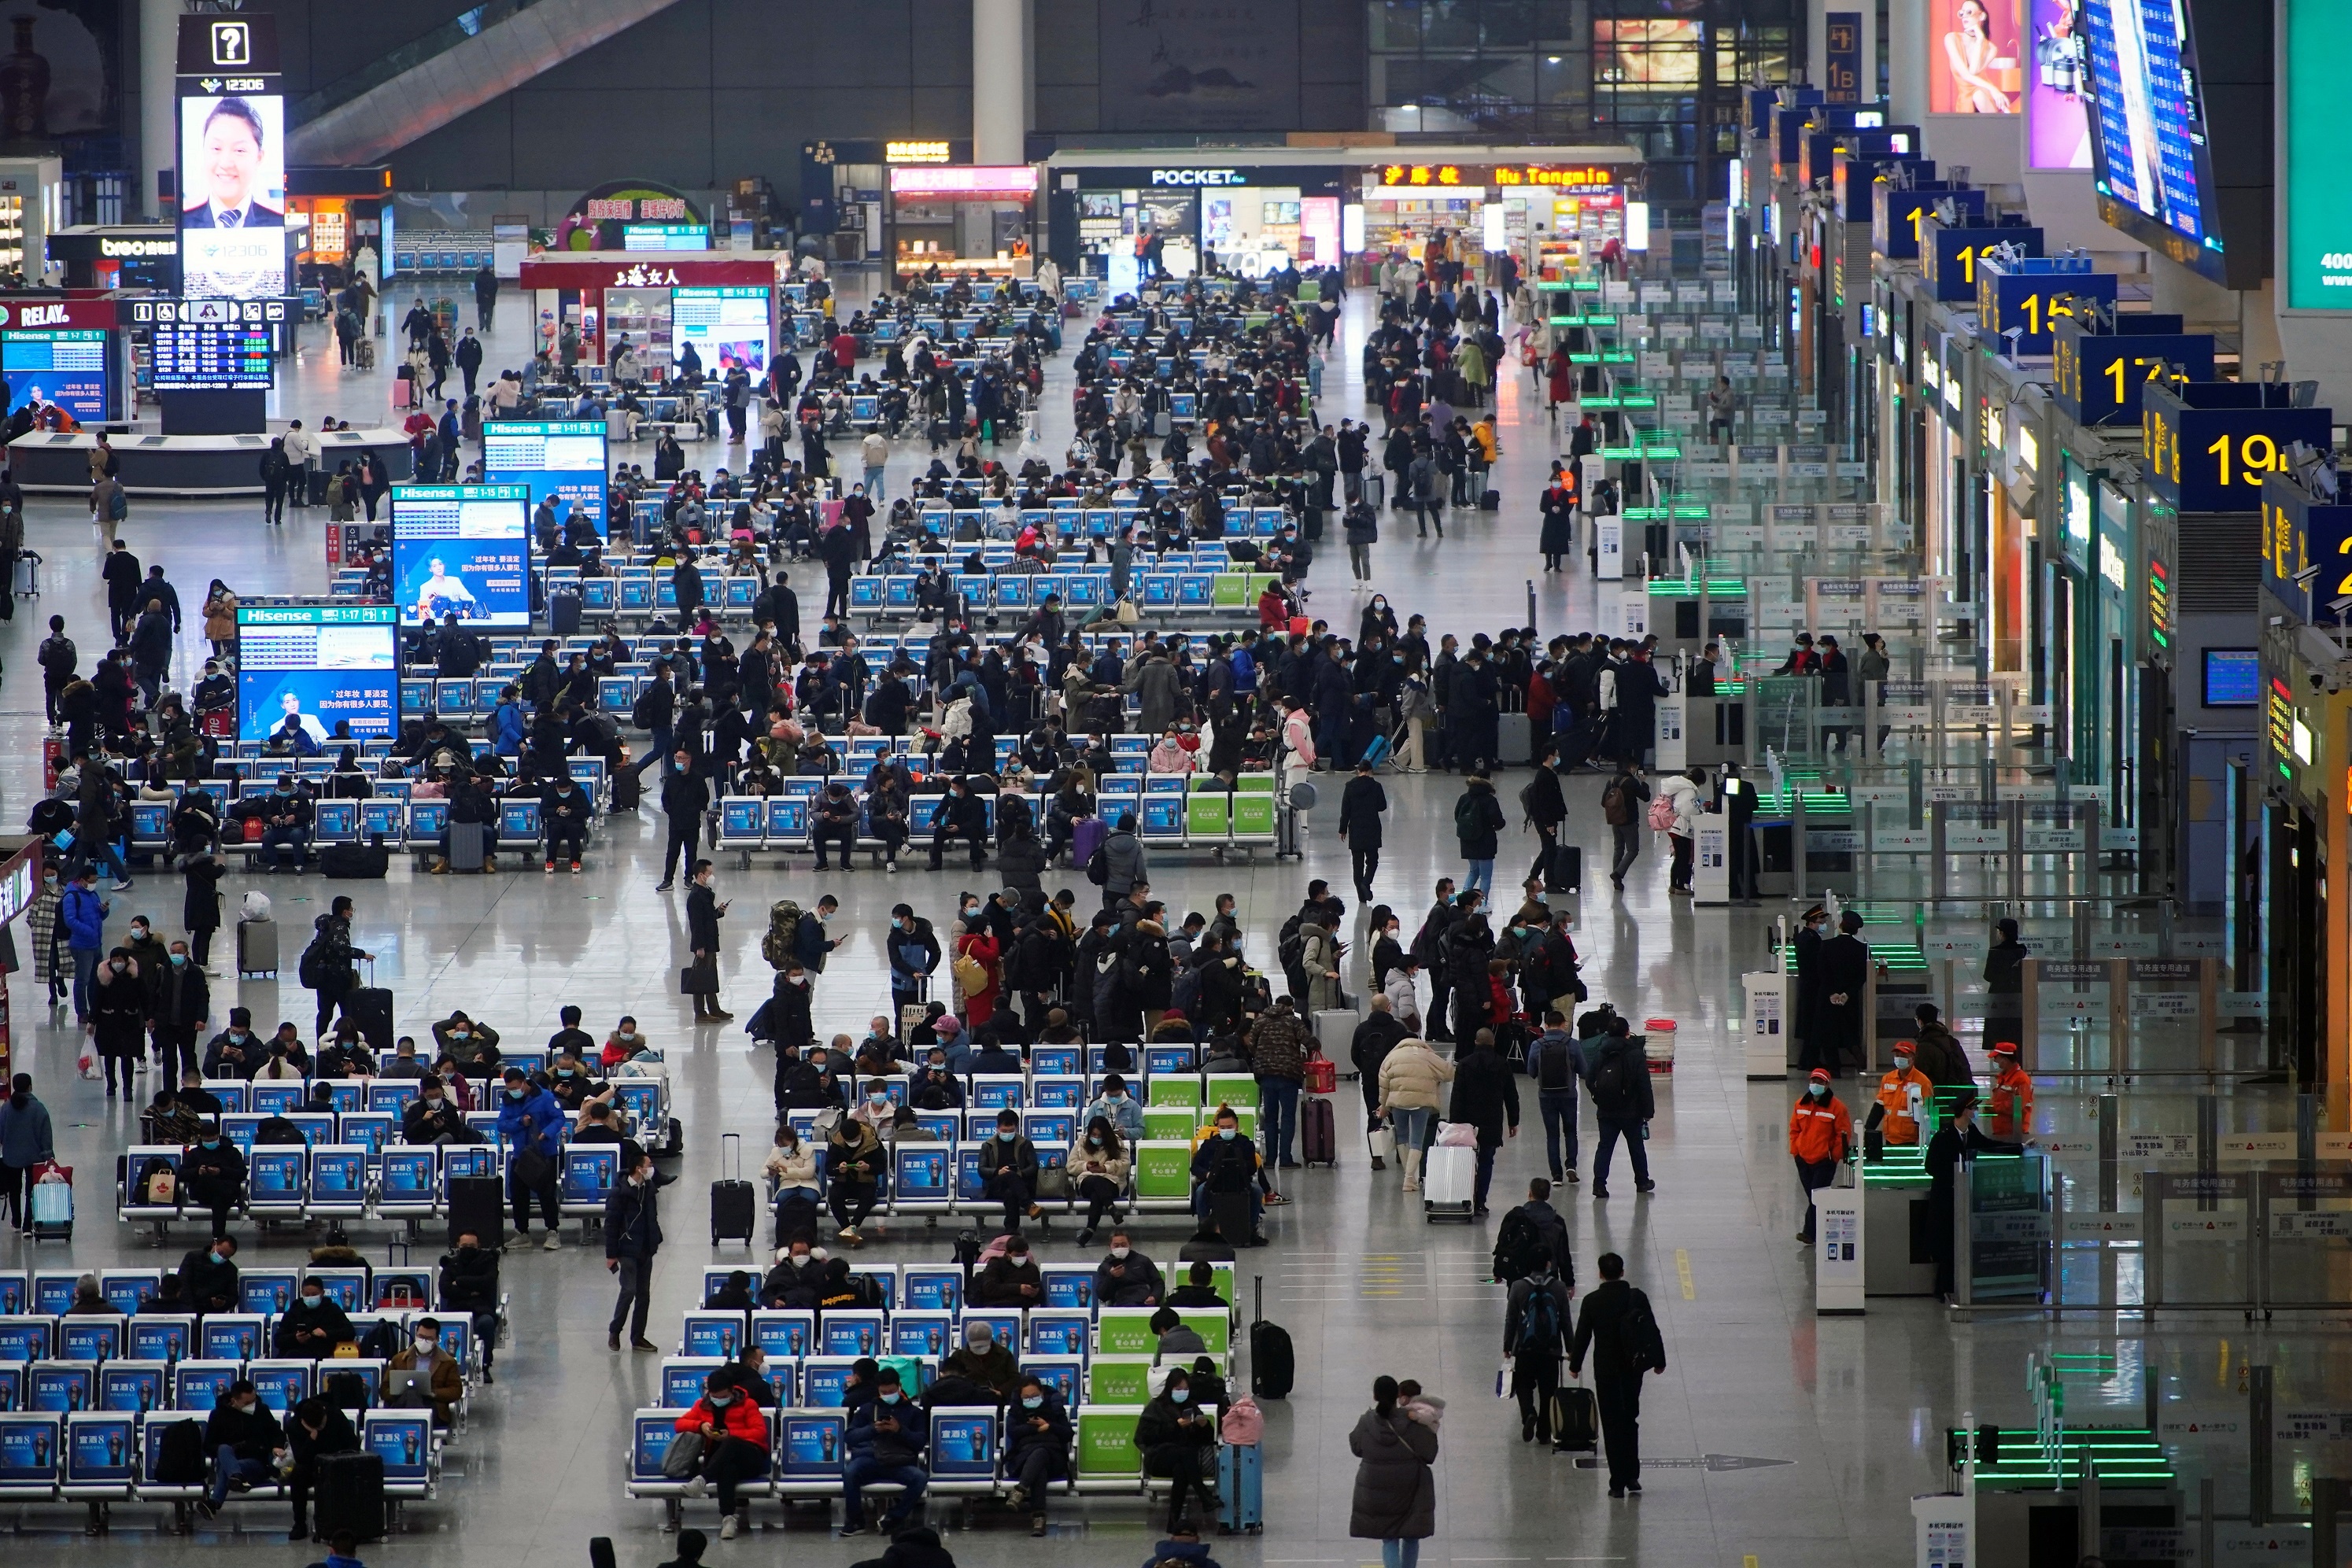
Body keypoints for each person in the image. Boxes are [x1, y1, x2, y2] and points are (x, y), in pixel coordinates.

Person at [1569, 1252, 1667, 1498]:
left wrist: (1575, 1365)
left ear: (1600, 1274)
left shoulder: (1592, 1301)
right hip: (1633, 1367)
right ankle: (1633, 1476)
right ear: (1622, 1272)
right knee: (1629, 1419)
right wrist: (1659, 1361)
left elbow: (1583, 1336)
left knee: (1612, 1424)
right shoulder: (1637, 1297)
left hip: (1606, 1370)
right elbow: (1651, 1329)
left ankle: (1617, 1483)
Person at [1350, 1374, 1439, 1568]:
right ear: (1397, 1396)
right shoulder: (1413, 1421)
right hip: (1411, 1487)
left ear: (1375, 1396)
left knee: (1389, 1537)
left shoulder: (1366, 1422)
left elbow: (1357, 1448)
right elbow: (1429, 1454)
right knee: (1411, 1536)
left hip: (1377, 1488)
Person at [674, 1370, 770, 1540]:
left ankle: (702, 1479)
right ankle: (728, 1518)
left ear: (732, 1390)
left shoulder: (748, 1405)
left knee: (731, 1443)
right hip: (719, 1462)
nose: (719, 1400)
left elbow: (760, 1433)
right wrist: (701, 1426)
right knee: (727, 1469)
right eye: (715, 1397)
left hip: (750, 1457)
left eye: (723, 1396)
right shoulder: (702, 1405)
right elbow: (679, 1424)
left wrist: (731, 1434)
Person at [1503, 1232, 1575, 1447]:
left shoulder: (1518, 1286)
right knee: (1548, 1391)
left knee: (1524, 1384)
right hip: (1551, 1349)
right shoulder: (1559, 1287)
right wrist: (1571, 1348)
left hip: (1525, 1347)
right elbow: (1565, 1321)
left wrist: (1507, 1346)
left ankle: (1528, 1413)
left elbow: (1511, 1319)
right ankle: (1544, 1432)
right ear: (1548, 1264)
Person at [840, 1364, 928, 1537]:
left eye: (892, 1391)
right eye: (884, 1392)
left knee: (919, 1478)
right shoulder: (867, 1409)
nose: (888, 1395)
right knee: (850, 1473)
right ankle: (855, 1521)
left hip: (899, 1461)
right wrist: (873, 1429)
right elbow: (850, 1437)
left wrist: (900, 1430)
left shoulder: (914, 1413)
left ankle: (893, 1518)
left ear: (899, 1387)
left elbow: (919, 1442)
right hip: (870, 1459)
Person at [1446, 1027, 1520, 1216]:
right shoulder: (1502, 1064)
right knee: (1487, 1160)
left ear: (1476, 1042)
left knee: (1466, 1160)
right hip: (1492, 1120)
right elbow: (1511, 1095)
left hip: (1467, 1121)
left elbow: (1457, 1096)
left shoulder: (1464, 1064)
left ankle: (1465, 1198)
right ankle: (1481, 1201)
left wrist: (1454, 1122)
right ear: (1493, 1043)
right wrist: (1513, 1121)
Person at [1136, 1367, 1218, 1533]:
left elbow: (1206, 1439)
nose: (1182, 1392)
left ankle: (1173, 1522)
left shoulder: (1191, 1406)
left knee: (1181, 1469)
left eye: (1185, 1389)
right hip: (1158, 1458)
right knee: (1185, 1454)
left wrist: (1204, 1426)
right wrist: (1175, 1426)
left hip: (1183, 1461)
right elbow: (1146, 1437)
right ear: (1170, 1388)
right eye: (1178, 1389)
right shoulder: (1156, 1407)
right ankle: (1203, 1495)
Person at [604, 1147, 668, 1350]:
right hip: (627, 1248)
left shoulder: (648, 1190)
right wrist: (611, 1255)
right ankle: (615, 1331)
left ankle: (638, 1336)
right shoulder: (619, 1194)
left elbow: (652, 1217)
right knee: (628, 1290)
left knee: (644, 1294)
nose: (652, 1168)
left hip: (645, 1248)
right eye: (649, 1165)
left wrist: (655, 1240)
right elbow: (611, 1225)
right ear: (639, 1169)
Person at [1583, 1017, 1655, 1198]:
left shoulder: (1601, 1052)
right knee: (1636, 1147)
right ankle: (1642, 1182)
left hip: (1606, 1110)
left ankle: (1599, 1184)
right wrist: (1648, 1111)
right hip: (1631, 1111)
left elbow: (1589, 1079)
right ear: (1627, 1033)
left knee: (1605, 1147)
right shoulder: (1635, 1054)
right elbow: (1644, 1085)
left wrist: (1599, 1097)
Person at [197, 1379, 286, 1519]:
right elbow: (208, 1446)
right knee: (224, 1449)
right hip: (229, 1460)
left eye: (254, 1400)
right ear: (234, 1400)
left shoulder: (261, 1411)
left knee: (227, 1467)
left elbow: (277, 1434)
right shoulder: (219, 1415)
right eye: (247, 1403)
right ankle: (237, 1478)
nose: (252, 1405)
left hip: (256, 1464)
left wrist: (276, 1446)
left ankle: (216, 1500)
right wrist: (230, 1451)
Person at [497, 1066, 565, 1248]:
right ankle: (522, 1233)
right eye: (509, 1089)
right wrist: (520, 1122)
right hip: (521, 1154)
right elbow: (501, 1125)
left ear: (524, 1083)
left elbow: (559, 1118)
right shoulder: (508, 1100)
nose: (512, 1092)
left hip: (545, 1153)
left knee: (547, 1194)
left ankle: (552, 1232)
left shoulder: (545, 1097)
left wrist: (547, 1132)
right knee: (518, 1195)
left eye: (514, 1088)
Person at [1375, 1034, 1453, 1192]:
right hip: (1422, 1101)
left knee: (1402, 1137)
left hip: (1398, 1101)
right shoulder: (1428, 1055)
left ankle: (1409, 1177)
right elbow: (1449, 1073)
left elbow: (1383, 1082)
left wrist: (1383, 1105)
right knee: (1417, 1141)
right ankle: (1409, 1179)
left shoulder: (1392, 1056)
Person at [1789, 1068, 1852, 1246]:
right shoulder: (1800, 1104)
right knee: (1813, 1197)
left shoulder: (1838, 1108)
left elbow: (1843, 1134)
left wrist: (1833, 1157)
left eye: (1820, 1082)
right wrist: (1796, 1151)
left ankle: (1809, 1233)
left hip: (1824, 1162)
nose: (1815, 1085)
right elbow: (1794, 1129)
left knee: (1817, 1196)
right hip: (1803, 1160)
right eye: (1813, 1081)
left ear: (1827, 1085)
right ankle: (1819, 1230)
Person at [1924, 1091, 1977, 1301]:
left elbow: (1989, 1144)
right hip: (1945, 1198)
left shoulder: (1971, 1132)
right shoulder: (1943, 1136)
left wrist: (2020, 1148)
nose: (1976, 1111)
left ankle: (1953, 1287)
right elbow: (1930, 1167)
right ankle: (1943, 1289)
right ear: (1964, 1111)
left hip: (1962, 1197)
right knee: (1946, 1244)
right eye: (1973, 1108)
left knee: (1958, 1242)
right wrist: (1953, 1176)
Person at [1004, 1372, 1072, 1536]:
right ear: (1020, 1397)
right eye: (1026, 1397)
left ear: (1042, 1392)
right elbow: (1012, 1432)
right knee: (1040, 1466)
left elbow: (1068, 1433)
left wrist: (1049, 1426)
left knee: (1041, 1453)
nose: (1031, 1399)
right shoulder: (1016, 1411)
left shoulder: (1055, 1407)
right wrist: (1035, 1428)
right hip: (1023, 1458)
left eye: (1034, 1396)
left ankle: (1020, 1489)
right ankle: (1038, 1519)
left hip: (1054, 1457)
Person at [284, 1397, 360, 1542]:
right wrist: (312, 1438)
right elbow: (301, 1458)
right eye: (318, 1427)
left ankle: (339, 1523)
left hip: (337, 1462)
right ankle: (299, 1524)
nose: (322, 1428)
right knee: (298, 1474)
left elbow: (353, 1444)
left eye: (323, 1424)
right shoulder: (293, 1426)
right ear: (304, 1422)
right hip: (311, 1465)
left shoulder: (335, 1414)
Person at [1523, 1012, 1584, 1184]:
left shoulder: (1537, 1045)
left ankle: (1556, 1175)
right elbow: (1583, 1069)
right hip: (1569, 1095)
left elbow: (1531, 1072)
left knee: (1552, 1135)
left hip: (1546, 1096)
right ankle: (1571, 1166)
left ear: (1546, 1025)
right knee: (1570, 1132)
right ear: (1564, 1024)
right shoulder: (1572, 1044)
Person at [1813, 910, 1873, 1078]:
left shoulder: (1826, 945)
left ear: (1840, 926)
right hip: (1849, 999)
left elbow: (1822, 972)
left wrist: (1832, 993)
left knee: (1828, 1032)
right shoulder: (1862, 949)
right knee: (1848, 1030)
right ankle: (1857, 1054)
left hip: (1828, 997)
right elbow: (1863, 975)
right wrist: (1847, 994)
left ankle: (1834, 1068)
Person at [438, 1230, 502, 1382]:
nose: (468, 1249)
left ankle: (484, 1366)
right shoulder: (451, 1264)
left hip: (481, 1310)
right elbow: (445, 1289)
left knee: (486, 1323)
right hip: (456, 1311)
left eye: (472, 1246)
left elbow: (488, 1282)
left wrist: (460, 1282)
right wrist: (471, 1292)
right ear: (458, 1246)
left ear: (478, 1246)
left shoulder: (488, 1262)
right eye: (464, 1246)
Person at [1493, 1175, 1575, 1286]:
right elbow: (1563, 1255)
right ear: (1547, 1196)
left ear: (1529, 1193)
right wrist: (1569, 1282)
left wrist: (1498, 1271)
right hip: (1549, 1277)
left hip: (1518, 1275)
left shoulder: (1515, 1217)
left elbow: (1503, 1244)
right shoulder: (1557, 1222)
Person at [382, 1315, 463, 1428]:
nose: (424, 1341)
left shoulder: (447, 1362)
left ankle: (412, 1426)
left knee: (413, 1394)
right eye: (421, 1337)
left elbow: (456, 1391)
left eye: (429, 1339)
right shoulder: (399, 1359)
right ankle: (417, 1426)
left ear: (436, 1340)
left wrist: (432, 1393)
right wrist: (399, 1392)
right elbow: (384, 1390)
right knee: (411, 1394)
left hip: (432, 1406)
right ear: (416, 1335)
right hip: (402, 1403)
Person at [0, 1074, 54, 1232]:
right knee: (32, 1190)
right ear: (30, 1087)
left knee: (14, 1189)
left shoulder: (6, 1108)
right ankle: (27, 1226)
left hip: (11, 1158)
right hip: (34, 1158)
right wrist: (48, 1156)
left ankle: (16, 1221)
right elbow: (45, 1134)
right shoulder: (39, 1108)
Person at [684, 859, 733, 1023]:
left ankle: (714, 1009)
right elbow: (696, 924)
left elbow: (708, 917)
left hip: (711, 942)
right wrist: (699, 946)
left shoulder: (705, 893)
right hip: (704, 944)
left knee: (710, 976)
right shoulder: (696, 897)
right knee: (700, 977)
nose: (712, 876)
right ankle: (700, 1013)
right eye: (709, 873)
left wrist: (719, 911)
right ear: (701, 875)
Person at [1870, 1039, 1933, 1153]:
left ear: (1912, 1058)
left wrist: (1924, 1140)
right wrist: (1869, 1129)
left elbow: (1927, 1113)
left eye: (1903, 1055)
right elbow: (1879, 1106)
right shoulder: (1888, 1079)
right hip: (1889, 1138)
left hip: (1912, 1141)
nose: (1899, 1058)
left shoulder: (1923, 1082)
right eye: (1897, 1055)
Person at [1451, 774, 1506, 901]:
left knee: (1473, 871)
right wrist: (1498, 826)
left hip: (1467, 841)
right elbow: (1497, 820)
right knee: (1485, 876)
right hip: (1485, 842)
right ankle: (1482, 903)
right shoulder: (1490, 800)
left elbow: (1457, 816)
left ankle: (1465, 899)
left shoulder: (1464, 798)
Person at [183, 1134, 249, 1239]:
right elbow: (181, 1174)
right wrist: (197, 1171)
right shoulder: (194, 1153)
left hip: (222, 1195)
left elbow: (242, 1173)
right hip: (205, 1192)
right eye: (206, 1140)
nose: (209, 1143)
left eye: (212, 1140)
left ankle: (217, 1237)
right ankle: (218, 1237)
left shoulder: (232, 1152)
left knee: (219, 1198)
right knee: (208, 1181)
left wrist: (221, 1171)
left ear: (217, 1137)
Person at [273, 1275, 354, 1358]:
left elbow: (349, 1332)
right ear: (302, 1293)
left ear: (322, 1293)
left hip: (322, 1355)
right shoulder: (294, 1311)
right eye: (307, 1295)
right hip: (294, 1355)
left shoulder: (332, 1310)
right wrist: (295, 1338)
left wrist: (326, 1334)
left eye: (314, 1294)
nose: (310, 1297)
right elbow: (278, 1340)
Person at [1984, 917, 2028, 1061]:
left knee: (1999, 1031)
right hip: (2016, 995)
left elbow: (1988, 976)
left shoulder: (1995, 951)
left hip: (1998, 995)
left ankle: (2002, 1058)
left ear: (2002, 933)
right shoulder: (2021, 950)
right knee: (2014, 1031)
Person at [940, 1319, 1021, 1397]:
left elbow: (1015, 1378)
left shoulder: (1005, 1354)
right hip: (967, 1398)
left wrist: (1001, 1392)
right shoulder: (958, 1356)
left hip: (997, 1398)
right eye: (976, 1346)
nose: (980, 1349)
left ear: (991, 1340)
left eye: (983, 1345)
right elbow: (949, 1380)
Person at [1982, 1039, 2033, 1149]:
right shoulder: (2003, 1078)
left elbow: (2016, 1106)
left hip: (2014, 1135)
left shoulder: (2021, 1080)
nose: (1995, 1061)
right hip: (2001, 1134)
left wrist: (1993, 1107)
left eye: (1996, 1058)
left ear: (2005, 1060)